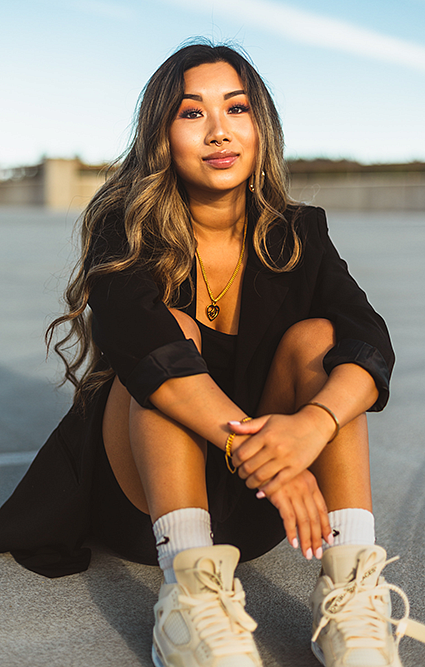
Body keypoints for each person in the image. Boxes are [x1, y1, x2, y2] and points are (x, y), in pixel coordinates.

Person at [1, 41, 424, 667]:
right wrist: (262, 451)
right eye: (192, 113)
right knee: (171, 334)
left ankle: (350, 595)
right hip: (148, 499)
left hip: (261, 501)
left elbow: (371, 341)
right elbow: (146, 351)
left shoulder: (298, 232)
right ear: (162, 135)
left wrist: (311, 428)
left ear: (261, 128)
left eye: (237, 109)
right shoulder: (127, 227)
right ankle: (191, 602)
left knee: (324, 341)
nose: (219, 131)